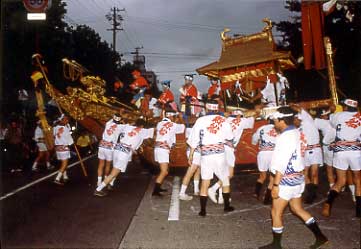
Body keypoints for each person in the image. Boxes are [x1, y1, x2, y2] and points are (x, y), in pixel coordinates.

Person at [259, 106, 328, 249]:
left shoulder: (285, 137)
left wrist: (276, 185)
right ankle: (321, 237)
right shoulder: (298, 132)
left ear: (281, 120)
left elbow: (281, 162)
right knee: (297, 209)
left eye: (275, 121)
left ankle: (276, 245)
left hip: (285, 179)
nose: (274, 124)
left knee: (275, 211)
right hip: (297, 178)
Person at [187, 100, 235, 216]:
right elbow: (229, 137)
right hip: (219, 153)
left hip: (206, 154)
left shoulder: (200, 120)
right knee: (225, 179)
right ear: (217, 108)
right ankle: (226, 207)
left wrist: (191, 155)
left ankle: (203, 210)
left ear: (207, 109)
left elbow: (194, 139)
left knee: (205, 181)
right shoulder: (223, 120)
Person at [94, 119, 154, 196]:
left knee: (115, 169)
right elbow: (155, 130)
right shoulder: (143, 131)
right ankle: (98, 189)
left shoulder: (127, 127)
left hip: (117, 149)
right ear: (142, 126)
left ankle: (110, 184)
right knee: (114, 172)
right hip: (124, 152)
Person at [322, 99, 361, 218]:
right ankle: (359, 211)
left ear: (345, 107)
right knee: (358, 181)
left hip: (341, 151)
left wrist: (333, 110)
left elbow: (333, 123)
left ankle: (328, 203)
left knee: (340, 181)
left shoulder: (338, 116)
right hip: (355, 151)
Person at [207, 109, 255, 204]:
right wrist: (247, 114)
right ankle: (213, 188)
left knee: (223, 173)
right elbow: (255, 113)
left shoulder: (225, 120)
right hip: (228, 149)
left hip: (219, 147)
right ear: (239, 116)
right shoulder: (242, 121)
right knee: (229, 174)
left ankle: (222, 197)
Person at [292, 105, 323, 204]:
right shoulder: (296, 130)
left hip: (315, 149)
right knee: (304, 174)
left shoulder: (307, 120)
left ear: (299, 118)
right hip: (304, 151)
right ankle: (312, 192)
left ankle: (311, 195)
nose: (294, 121)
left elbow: (300, 109)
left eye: (295, 119)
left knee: (314, 174)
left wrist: (290, 105)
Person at [152, 109, 185, 196]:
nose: (175, 118)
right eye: (174, 117)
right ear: (171, 116)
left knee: (164, 170)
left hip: (158, 148)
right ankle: (155, 191)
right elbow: (183, 127)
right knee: (164, 171)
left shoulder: (159, 124)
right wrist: (181, 118)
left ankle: (158, 188)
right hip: (163, 149)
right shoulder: (173, 125)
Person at [251, 117, 278, 204]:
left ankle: (256, 192)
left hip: (263, 154)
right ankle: (267, 199)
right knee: (273, 177)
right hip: (274, 154)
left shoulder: (261, 128)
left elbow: (254, 141)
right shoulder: (279, 129)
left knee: (262, 176)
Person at [96, 113, 125, 189]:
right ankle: (105, 181)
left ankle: (98, 182)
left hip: (102, 145)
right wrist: (123, 120)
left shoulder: (108, 123)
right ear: (120, 120)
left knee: (101, 164)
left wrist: (119, 113)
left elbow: (113, 118)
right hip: (110, 147)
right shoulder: (120, 127)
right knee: (108, 165)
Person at [178, 127, 201, 201]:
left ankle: (196, 190)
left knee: (197, 170)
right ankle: (182, 193)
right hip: (196, 152)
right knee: (190, 172)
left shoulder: (190, 129)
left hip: (193, 151)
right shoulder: (201, 128)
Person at [53, 114, 74, 185]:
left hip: (58, 148)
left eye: (67, 119)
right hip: (64, 148)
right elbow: (70, 140)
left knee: (63, 163)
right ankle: (57, 178)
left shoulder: (55, 128)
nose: (67, 121)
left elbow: (54, 136)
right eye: (65, 119)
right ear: (61, 120)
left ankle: (65, 176)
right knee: (64, 164)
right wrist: (71, 142)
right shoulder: (65, 129)